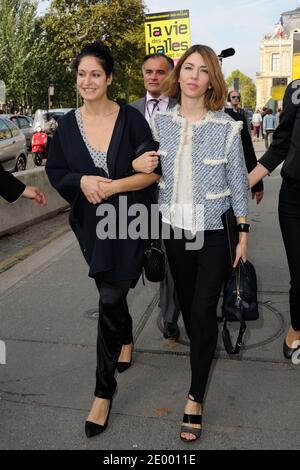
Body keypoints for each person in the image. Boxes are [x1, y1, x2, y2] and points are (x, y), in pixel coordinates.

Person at [132, 44, 249, 441]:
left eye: (203, 70)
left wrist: (244, 234)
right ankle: (200, 366)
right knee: (187, 308)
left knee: (202, 312)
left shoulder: (227, 127)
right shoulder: (158, 123)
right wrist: (137, 163)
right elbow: (144, 165)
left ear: (211, 79)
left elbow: (238, 185)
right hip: (174, 232)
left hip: (214, 232)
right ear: (178, 75)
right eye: (189, 68)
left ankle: (195, 397)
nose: (194, 76)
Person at [45, 41, 160, 438]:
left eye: (96, 73)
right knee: (111, 293)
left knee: (110, 296)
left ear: (109, 78)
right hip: (90, 226)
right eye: (82, 74)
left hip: (129, 220)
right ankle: (125, 335)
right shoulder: (65, 125)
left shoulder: (131, 119)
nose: (87, 81)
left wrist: (108, 186)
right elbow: (57, 171)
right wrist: (82, 180)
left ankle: (102, 392)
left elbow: (151, 174)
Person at [248, 80, 300, 361]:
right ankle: (297, 328)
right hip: (294, 199)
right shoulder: (297, 90)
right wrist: (244, 183)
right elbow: (279, 146)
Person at [131, 53, 180, 341]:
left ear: (170, 75)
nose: (153, 76)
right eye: (148, 71)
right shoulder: (129, 111)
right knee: (136, 261)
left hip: (175, 200)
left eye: (160, 72)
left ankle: (169, 318)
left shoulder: (183, 108)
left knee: (172, 261)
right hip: (137, 200)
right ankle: (123, 333)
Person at [225, 91, 264, 204]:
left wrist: (256, 183)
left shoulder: (240, 115)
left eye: (238, 97)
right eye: (233, 97)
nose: (236, 99)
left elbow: (247, 149)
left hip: (230, 180)